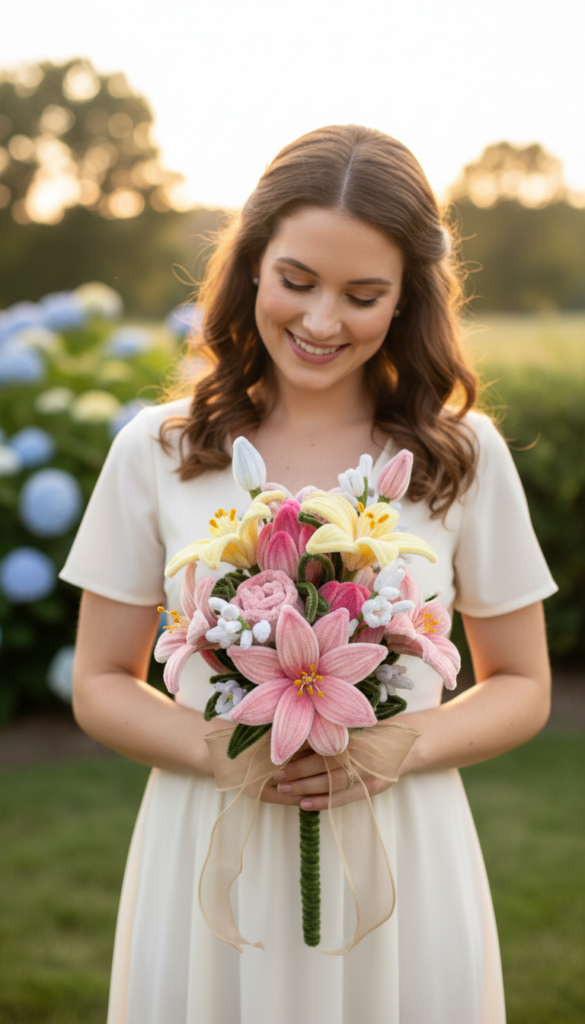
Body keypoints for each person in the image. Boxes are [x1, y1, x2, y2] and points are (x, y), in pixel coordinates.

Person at [61, 125, 557, 1024]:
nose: (322, 321)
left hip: (405, 841)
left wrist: (396, 747)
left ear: (407, 300)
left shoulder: (459, 455)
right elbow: (99, 681)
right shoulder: (160, 450)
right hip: (207, 834)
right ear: (251, 264)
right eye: (296, 282)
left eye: (363, 295)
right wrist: (220, 754)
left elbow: (523, 683)